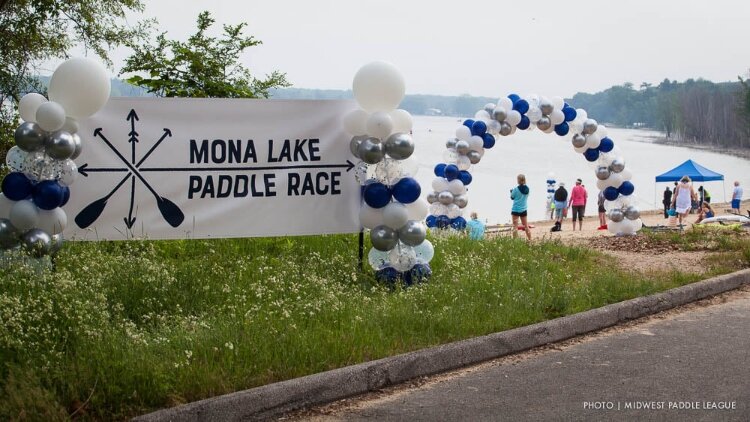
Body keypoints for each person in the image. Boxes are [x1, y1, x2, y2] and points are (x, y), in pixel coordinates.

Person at [510, 174, 531, 240]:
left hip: (516, 209)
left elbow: (512, 197)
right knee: (526, 225)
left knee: (515, 226)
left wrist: (511, 192)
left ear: (518, 180)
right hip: (523, 209)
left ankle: (515, 241)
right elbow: (526, 196)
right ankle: (530, 239)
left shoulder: (516, 189)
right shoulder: (527, 189)